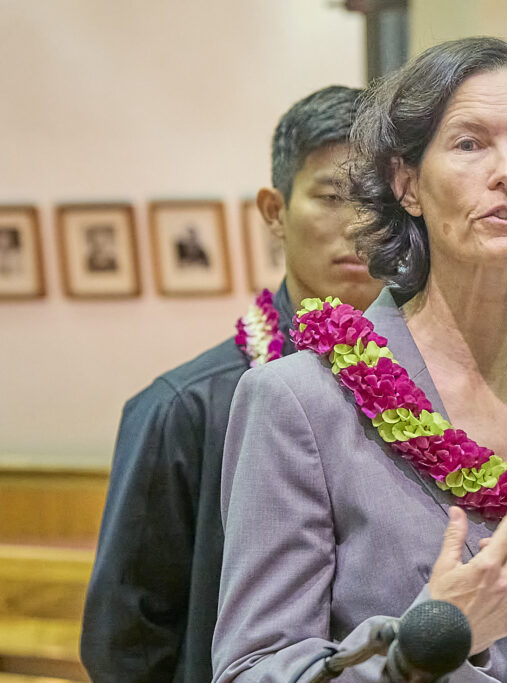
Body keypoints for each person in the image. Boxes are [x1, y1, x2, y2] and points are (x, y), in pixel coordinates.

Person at [213, 37, 507, 682]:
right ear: (407, 183)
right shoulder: (300, 401)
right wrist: (423, 647)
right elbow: (251, 670)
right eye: (470, 143)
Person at [80, 85, 381, 683]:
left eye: (379, 201)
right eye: (330, 197)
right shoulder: (187, 407)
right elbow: (127, 644)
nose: (357, 225)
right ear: (275, 211)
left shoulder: (442, 388)